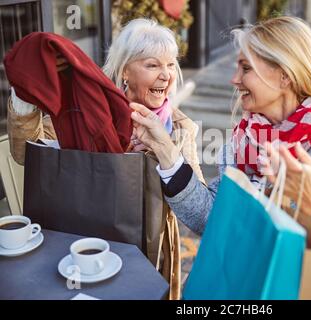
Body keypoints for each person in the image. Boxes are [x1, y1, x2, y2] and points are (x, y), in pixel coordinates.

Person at [130, 16, 311, 280]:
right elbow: (210, 218)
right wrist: (165, 148)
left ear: (285, 75)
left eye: (246, 68)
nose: (234, 80)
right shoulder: (242, 142)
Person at [7, 18, 203, 299]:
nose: (166, 75)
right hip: (84, 245)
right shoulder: (85, 112)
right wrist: (26, 92)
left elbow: (193, 201)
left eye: (171, 64)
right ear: (125, 71)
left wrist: (160, 154)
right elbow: (23, 154)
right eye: (152, 65)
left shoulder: (181, 128)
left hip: (153, 252)